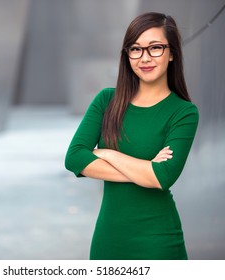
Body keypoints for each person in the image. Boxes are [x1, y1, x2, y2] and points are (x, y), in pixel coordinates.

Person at [65, 12, 199, 260]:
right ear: (127, 56)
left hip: (158, 240)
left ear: (172, 54)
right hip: (109, 238)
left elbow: (163, 177)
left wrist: (106, 153)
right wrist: (145, 170)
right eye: (135, 49)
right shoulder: (107, 100)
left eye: (155, 48)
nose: (144, 58)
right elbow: (74, 158)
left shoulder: (184, 112)